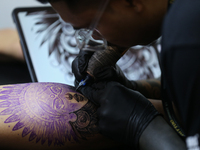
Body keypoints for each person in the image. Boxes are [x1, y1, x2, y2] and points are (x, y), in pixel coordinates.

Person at [36, 0, 199, 149]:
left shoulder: (186, 41)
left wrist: (144, 127)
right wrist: (135, 88)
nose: (93, 37)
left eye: (92, 26)